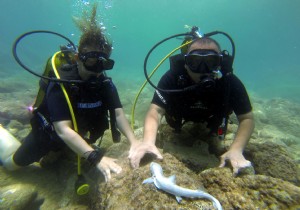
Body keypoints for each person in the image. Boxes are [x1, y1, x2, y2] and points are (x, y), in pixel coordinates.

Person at [0, 4, 138, 182]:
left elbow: (118, 114)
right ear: (77, 58)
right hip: (49, 136)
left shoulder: (104, 84)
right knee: (11, 165)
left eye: (102, 64)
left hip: (79, 135)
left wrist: (134, 142)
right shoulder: (61, 83)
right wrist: (95, 157)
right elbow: (63, 129)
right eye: (91, 62)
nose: (97, 71)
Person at [129, 37, 254, 175]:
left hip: (212, 121)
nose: (203, 69)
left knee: (214, 132)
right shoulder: (172, 77)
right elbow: (156, 110)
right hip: (178, 119)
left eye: (211, 62)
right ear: (186, 63)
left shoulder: (230, 82)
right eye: (195, 62)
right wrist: (148, 142)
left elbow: (246, 118)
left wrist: (236, 149)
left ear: (220, 63)